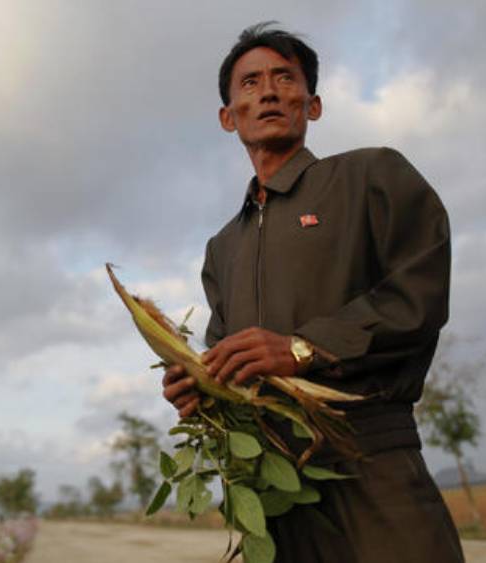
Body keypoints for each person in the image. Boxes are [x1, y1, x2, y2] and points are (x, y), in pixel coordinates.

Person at [161, 23, 466, 562]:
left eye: (285, 77)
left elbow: (417, 295)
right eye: (250, 83)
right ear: (228, 117)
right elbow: (229, 362)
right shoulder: (221, 248)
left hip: (372, 463)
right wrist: (199, 388)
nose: (270, 91)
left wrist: (303, 347)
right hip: (275, 490)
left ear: (314, 104)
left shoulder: (371, 177)